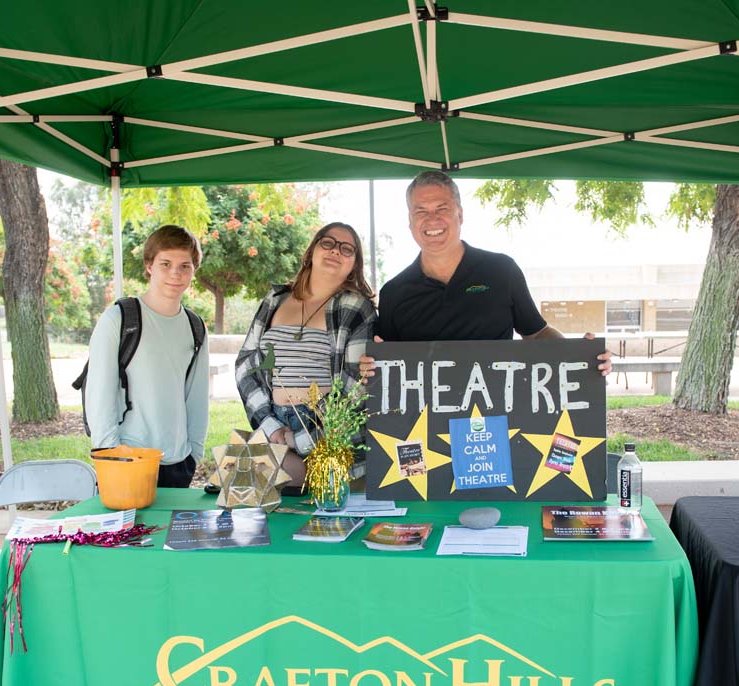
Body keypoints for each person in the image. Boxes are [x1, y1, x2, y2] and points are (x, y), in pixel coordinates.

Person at [363, 170, 612, 374]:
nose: (432, 219)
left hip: (495, 422)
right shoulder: (394, 292)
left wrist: (581, 355)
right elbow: (386, 364)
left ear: (459, 214)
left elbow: (537, 334)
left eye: (442, 208)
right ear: (409, 221)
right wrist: (369, 365)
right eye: (421, 211)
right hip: (424, 425)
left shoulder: (502, 270)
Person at [236, 222, 377, 486]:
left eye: (347, 249)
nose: (336, 251)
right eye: (328, 243)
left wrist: (301, 439)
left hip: (327, 432)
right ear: (312, 250)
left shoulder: (355, 307)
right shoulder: (274, 300)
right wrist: (270, 426)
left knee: (323, 503)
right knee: (251, 488)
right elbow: (246, 366)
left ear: (354, 265)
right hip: (274, 425)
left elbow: (356, 388)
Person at [84, 224, 209, 488]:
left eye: (184, 266)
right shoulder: (119, 319)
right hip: (127, 459)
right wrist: (112, 456)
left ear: (193, 270)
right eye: (165, 264)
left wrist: (194, 454)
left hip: (179, 462)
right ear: (149, 265)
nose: (175, 274)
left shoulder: (195, 327)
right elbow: (99, 393)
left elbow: (196, 397)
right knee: (133, 531)